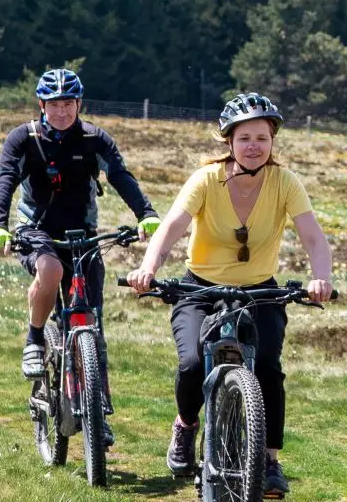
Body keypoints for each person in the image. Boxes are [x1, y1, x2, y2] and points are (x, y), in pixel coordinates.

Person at [126, 92, 333, 499]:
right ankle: (186, 427)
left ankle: (270, 461)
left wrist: (320, 277)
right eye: (244, 139)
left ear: (273, 141)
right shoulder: (206, 179)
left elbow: (313, 237)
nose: (253, 146)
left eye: (261, 137)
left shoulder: (285, 182)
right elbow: (171, 227)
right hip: (198, 287)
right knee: (189, 364)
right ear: (229, 142)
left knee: (270, 370)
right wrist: (149, 268)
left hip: (260, 290)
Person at [0, 68, 161, 391]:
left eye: (68, 103)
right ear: (42, 105)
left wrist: (146, 213)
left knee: (92, 322)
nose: (62, 111)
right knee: (50, 270)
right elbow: (5, 179)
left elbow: (120, 176)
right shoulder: (23, 139)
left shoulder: (95, 140)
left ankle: (98, 408)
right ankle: (35, 340)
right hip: (35, 231)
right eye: (54, 104)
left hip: (83, 234)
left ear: (79, 104)